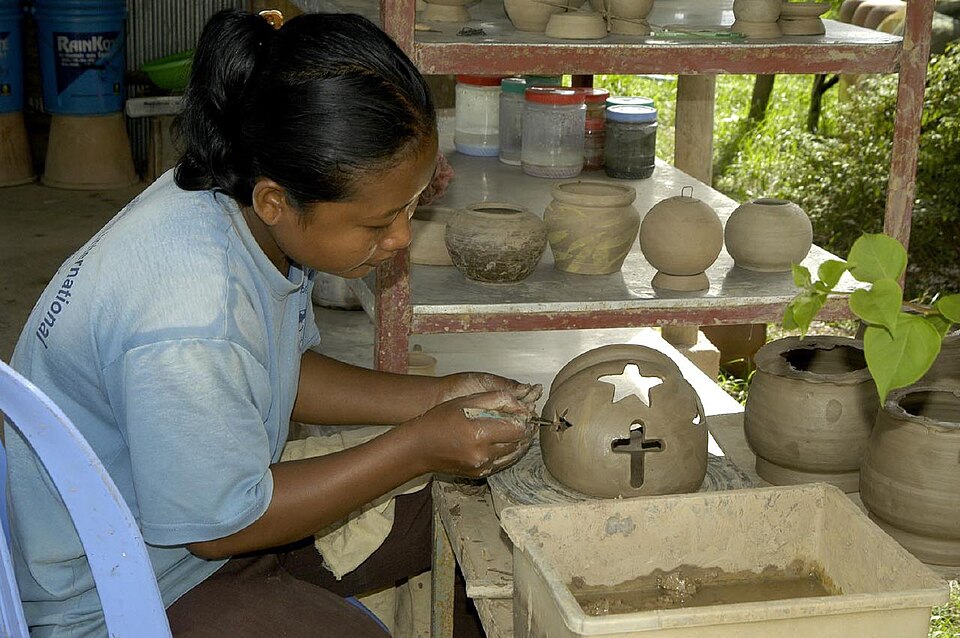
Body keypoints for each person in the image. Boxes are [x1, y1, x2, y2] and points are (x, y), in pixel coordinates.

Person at [4, 8, 540, 637]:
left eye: (411, 208)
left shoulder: (230, 198)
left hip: (176, 522)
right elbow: (219, 528)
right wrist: (417, 444)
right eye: (378, 222)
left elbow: (282, 369)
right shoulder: (191, 313)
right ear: (276, 201)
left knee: (457, 513)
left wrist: (437, 398)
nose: (400, 239)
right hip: (120, 588)